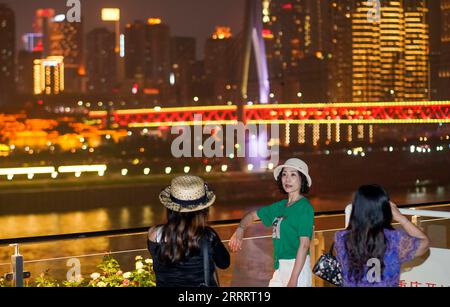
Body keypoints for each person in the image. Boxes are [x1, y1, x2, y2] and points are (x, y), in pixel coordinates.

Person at [229, 158, 314, 287]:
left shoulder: (305, 208)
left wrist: (293, 279)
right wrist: (240, 229)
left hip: (297, 267)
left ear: (302, 179)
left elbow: (304, 244)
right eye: (284, 174)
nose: (287, 179)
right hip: (280, 266)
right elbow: (251, 215)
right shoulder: (280, 207)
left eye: (293, 175)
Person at [334, 185, 430, 287]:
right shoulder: (394, 240)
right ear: (385, 209)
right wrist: (401, 218)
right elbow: (425, 243)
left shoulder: (341, 238)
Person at [147, 175, 230, 287]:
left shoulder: (154, 234)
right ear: (203, 209)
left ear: (170, 208)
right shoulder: (209, 236)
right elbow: (224, 263)